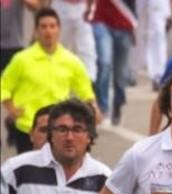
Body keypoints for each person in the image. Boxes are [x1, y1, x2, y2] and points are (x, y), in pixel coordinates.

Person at [1, 8, 99, 153]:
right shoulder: (22, 59)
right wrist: (11, 108)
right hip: (28, 129)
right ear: (36, 31)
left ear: (59, 30)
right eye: (43, 26)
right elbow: (4, 86)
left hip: (58, 130)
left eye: (52, 26)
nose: (48, 31)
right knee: (30, 174)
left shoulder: (70, 61)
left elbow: (85, 90)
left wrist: (93, 108)